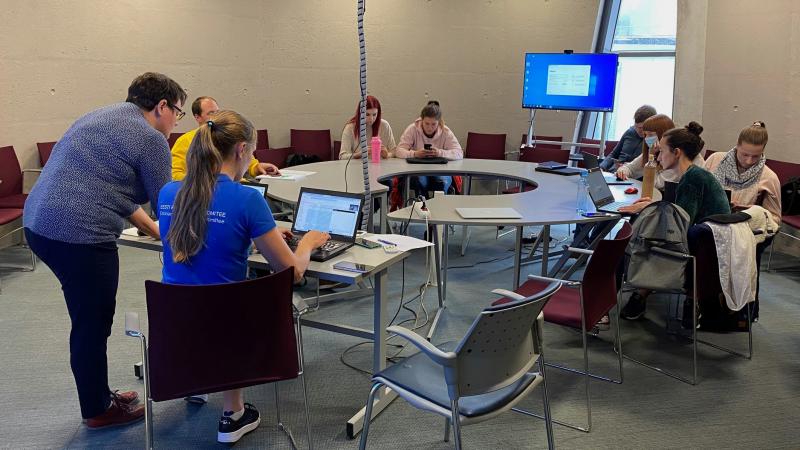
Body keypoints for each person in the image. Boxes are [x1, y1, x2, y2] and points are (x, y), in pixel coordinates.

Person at [23, 72, 186, 428]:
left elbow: (110, 188)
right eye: (178, 112)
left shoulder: (101, 115)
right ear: (161, 106)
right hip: (78, 235)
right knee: (92, 324)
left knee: (87, 318)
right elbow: (168, 203)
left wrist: (152, 230)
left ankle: (98, 393)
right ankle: (97, 410)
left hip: (38, 224)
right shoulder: (151, 139)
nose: (176, 121)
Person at [158, 110, 329, 444]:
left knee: (204, 298)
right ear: (239, 150)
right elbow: (292, 272)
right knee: (238, 301)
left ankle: (196, 382)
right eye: (251, 152)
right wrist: (308, 241)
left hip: (176, 324)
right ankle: (233, 412)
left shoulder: (168, 193)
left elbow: (204, 227)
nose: (251, 158)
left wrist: (258, 231)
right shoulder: (248, 199)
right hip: (230, 324)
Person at [619, 122, 731, 320]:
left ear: (677, 152)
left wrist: (646, 208)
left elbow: (681, 224)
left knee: (640, 241)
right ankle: (636, 295)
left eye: (662, 151)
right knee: (646, 233)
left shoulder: (692, 177)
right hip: (707, 240)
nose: (659, 157)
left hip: (707, 246)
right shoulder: (692, 175)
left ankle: (624, 296)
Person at [704, 121, 781, 320]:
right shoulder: (715, 160)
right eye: (744, 154)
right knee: (702, 246)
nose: (748, 161)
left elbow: (774, 219)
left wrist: (751, 209)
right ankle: (702, 303)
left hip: (745, 229)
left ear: (763, 152)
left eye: (755, 156)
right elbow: (699, 187)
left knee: (745, 251)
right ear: (737, 145)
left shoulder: (769, 177)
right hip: (711, 222)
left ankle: (743, 311)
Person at [171, 96, 279, 181]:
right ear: (197, 117)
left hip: (237, 186)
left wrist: (257, 167)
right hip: (203, 192)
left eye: (218, 112)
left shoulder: (228, 134)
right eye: (211, 113)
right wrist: (203, 182)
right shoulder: (184, 141)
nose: (216, 116)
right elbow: (175, 174)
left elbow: (244, 159)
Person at [614, 114, 707, 191]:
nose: (646, 139)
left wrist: (652, 159)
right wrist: (622, 171)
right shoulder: (655, 150)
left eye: (650, 135)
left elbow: (655, 186)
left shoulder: (681, 158)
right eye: (645, 135)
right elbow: (630, 168)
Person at [395, 100, 463, 197]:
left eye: (433, 124)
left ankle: (438, 207)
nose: (430, 128)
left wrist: (439, 153)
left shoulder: (445, 131)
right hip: (418, 170)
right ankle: (424, 205)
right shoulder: (412, 129)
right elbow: (399, 151)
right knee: (419, 181)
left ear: (439, 122)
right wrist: (415, 154)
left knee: (442, 182)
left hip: (440, 170)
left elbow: (459, 153)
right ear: (421, 119)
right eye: (426, 123)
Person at [599, 105, 656, 171]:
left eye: (641, 128)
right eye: (636, 126)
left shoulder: (653, 141)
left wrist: (626, 167)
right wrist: (601, 167)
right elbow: (614, 154)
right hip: (614, 172)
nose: (638, 130)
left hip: (632, 175)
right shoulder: (630, 132)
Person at [339, 95, 396, 160]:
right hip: (358, 168)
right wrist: (359, 154)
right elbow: (342, 157)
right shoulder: (350, 128)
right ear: (360, 113)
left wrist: (387, 155)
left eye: (374, 114)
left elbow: (394, 151)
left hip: (381, 167)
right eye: (367, 114)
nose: (371, 119)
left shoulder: (384, 125)